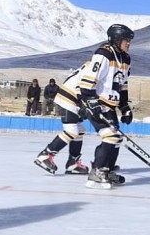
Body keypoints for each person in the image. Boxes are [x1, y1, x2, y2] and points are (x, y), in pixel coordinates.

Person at [34, 24, 135, 188]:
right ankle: (46, 155)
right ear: (116, 40)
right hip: (72, 95)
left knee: (88, 131)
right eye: (126, 40)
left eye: (130, 41)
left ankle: (77, 164)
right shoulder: (104, 54)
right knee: (74, 131)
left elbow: (121, 85)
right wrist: (91, 102)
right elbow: (87, 82)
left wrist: (124, 107)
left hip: (89, 97)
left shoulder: (125, 59)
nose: (129, 43)